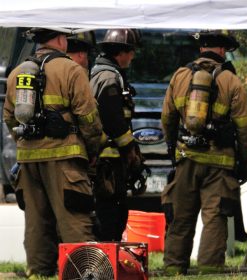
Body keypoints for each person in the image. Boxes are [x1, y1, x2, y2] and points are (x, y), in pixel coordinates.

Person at [3, 27, 103, 278]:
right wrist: (92, 149)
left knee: (37, 222)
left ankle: (38, 273)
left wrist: (24, 142)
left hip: (29, 160)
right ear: (60, 39)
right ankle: (83, 273)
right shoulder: (72, 70)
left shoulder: (17, 73)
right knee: (74, 219)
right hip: (65, 159)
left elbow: (8, 117)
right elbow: (89, 116)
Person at [161, 30, 247, 274]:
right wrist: (246, 159)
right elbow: (243, 126)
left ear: (201, 48)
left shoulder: (180, 76)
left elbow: (167, 118)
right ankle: (210, 269)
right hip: (219, 164)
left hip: (186, 157)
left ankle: (173, 268)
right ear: (222, 51)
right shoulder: (231, 81)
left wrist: (172, 148)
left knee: (181, 216)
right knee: (214, 218)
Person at [90, 29, 143, 241]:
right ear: (120, 52)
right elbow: (113, 120)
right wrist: (131, 150)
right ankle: (107, 256)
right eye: (131, 52)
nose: (132, 56)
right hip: (109, 159)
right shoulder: (110, 78)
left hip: (106, 158)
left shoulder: (99, 73)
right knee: (112, 212)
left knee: (109, 210)